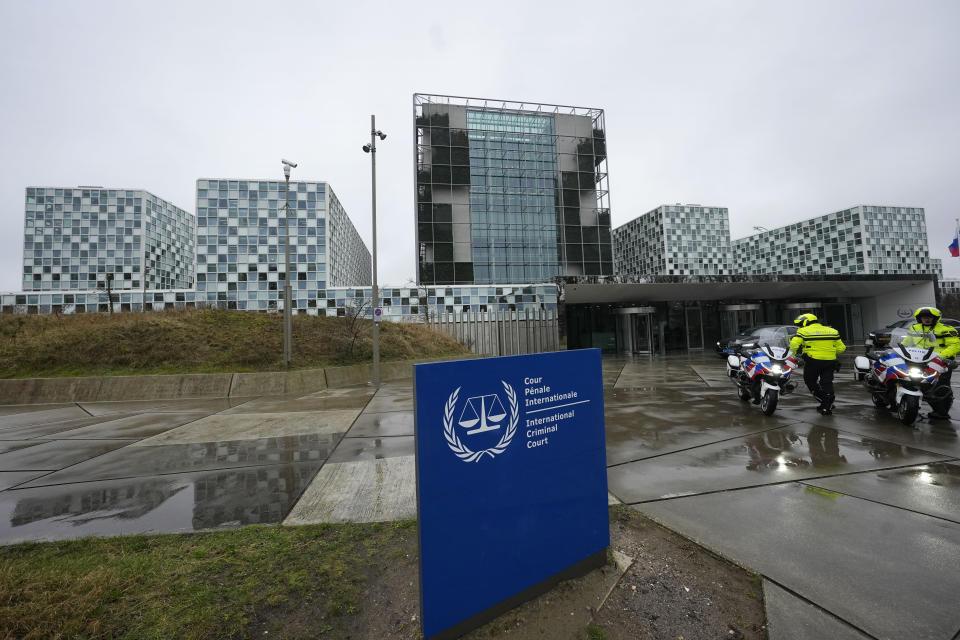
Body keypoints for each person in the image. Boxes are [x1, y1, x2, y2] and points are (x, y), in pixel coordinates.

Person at [789, 313, 846, 415]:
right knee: (827, 383)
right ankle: (827, 405)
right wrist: (829, 352)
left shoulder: (803, 331)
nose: (801, 326)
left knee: (810, 381)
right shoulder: (832, 331)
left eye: (801, 323)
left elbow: (794, 344)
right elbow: (842, 348)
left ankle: (824, 400)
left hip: (813, 361)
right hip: (830, 361)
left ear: (806, 321)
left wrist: (792, 355)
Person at [909, 306, 959, 419]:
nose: (926, 319)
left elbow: (955, 345)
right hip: (919, 360)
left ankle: (942, 412)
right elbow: (906, 342)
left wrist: (940, 357)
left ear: (935, 318)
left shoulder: (946, 329)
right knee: (917, 383)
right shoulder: (914, 328)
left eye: (929, 317)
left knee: (941, 387)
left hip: (942, 361)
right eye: (923, 317)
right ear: (919, 318)